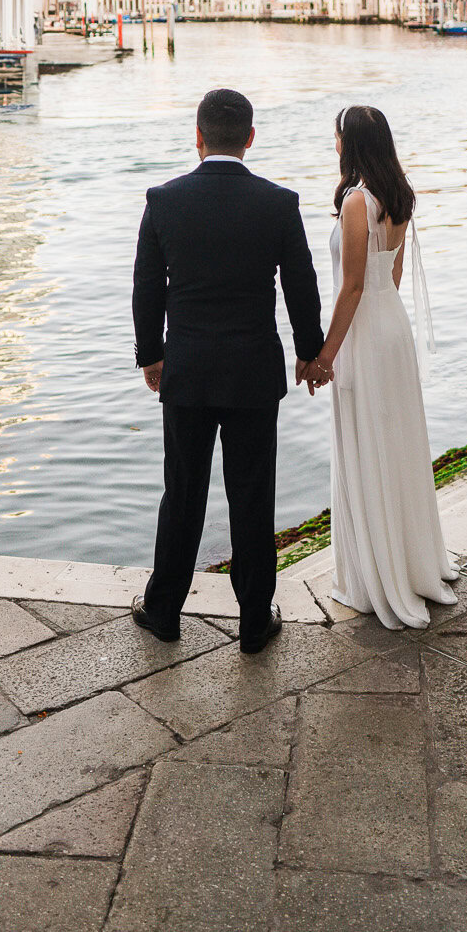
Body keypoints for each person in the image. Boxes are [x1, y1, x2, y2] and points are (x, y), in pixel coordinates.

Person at [131, 86, 325, 654]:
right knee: (252, 493)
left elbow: (146, 290)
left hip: (186, 371)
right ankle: (254, 620)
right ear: (250, 139)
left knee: (183, 492)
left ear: (197, 138)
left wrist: (152, 355)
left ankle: (164, 611)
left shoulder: (164, 201)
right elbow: (301, 288)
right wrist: (309, 351)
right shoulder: (278, 203)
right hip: (252, 374)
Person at [307, 104, 457, 629]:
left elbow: (350, 287)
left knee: (366, 443)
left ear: (349, 143)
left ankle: (374, 574)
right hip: (392, 327)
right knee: (394, 443)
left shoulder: (356, 202)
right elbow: (389, 274)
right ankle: (412, 561)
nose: (335, 145)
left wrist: (326, 355)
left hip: (364, 332)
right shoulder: (398, 196)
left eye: (337, 137)